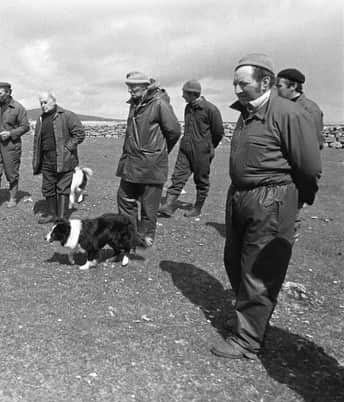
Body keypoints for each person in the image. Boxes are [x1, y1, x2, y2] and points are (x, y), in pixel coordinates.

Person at [211, 54, 321, 360]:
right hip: (241, 197)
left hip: (271, 198)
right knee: (234, 260)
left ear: (266, 82)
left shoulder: (289, 114)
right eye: (234, 83)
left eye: (242, 83)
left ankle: (248, 340)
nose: (236, 89)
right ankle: (251, 320)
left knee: (259, 270)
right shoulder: (246, 112)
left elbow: (310, 166)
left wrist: (295, 199)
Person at [116, 71, 181, 248]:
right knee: (124, 198)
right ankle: (131, 234)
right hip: (132, 163)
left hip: (151, 165)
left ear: (145, 86)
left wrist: (158, 152)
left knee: (149, 206)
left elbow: (174, 131)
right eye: (128, 87)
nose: (130, 91)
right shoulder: (137, 102)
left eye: (133, 87)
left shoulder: (159, 103)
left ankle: (146, 238)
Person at [159, 80, 224, 218]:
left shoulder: (210, 109)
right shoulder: (188, 108)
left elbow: (218, 132)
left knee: (201, 180)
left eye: (184, 93)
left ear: (191, 94)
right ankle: (168, 205)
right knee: (178, 176)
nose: (182, 96)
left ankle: (197, 208)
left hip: (202, 151)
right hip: (185, 149)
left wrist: (209, 147)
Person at [32, 91, 85, 223]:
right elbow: (38, 141)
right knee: (48, 187)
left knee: (63, 188)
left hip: (64, 160)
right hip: (46, 160)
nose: (43, 105)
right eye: (41, 103)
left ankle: (61, 217)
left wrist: (67, 148)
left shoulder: (67, 115)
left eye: (45, 102)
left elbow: (79, 133)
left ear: (53, 101)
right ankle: (52, 214)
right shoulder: (40, 119)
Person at [276, 68, 325, 149]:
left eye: (279, 86)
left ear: (293, 86)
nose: (277, 90)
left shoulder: (310, 109)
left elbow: (316, 141)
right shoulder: (280, 106)